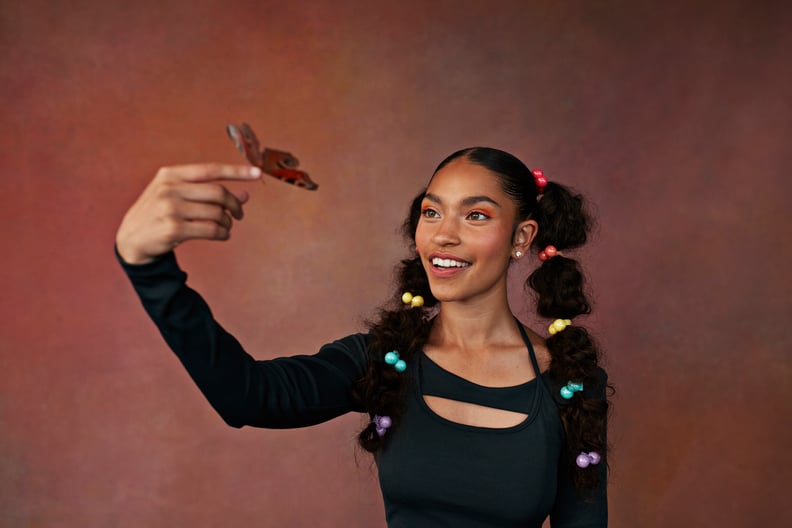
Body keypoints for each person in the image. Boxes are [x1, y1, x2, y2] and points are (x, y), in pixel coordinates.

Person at [115, 147, 611, 527]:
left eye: (476, 215)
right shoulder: (384, 360)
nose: (443, 235)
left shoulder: (569, 383)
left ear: (522, 238)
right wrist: (150, 269)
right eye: (432, 212)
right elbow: (248, 396)